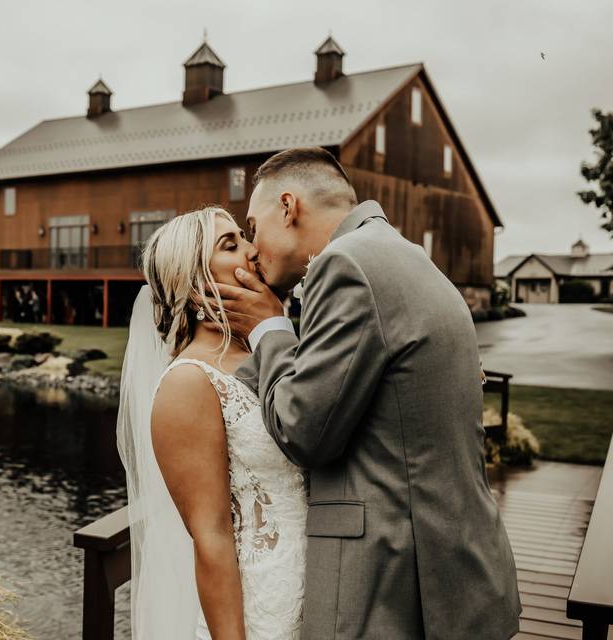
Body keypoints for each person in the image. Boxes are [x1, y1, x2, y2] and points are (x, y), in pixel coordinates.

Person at [216, 147, 521, 639]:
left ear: (289, 208)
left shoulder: (346, 266)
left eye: (253, 227)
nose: (252, 248)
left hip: (397, 587)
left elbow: (304, 432)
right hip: (458, 570)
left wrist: (270, 328)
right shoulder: (404, 255)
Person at [117, 206, 308, 640]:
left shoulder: (268, 351)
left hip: (318, 595)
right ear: (197, 281)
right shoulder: (188, 382)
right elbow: (212, 538)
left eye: (243, 235)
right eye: (231, 244)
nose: (253, 248)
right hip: (261, 612)